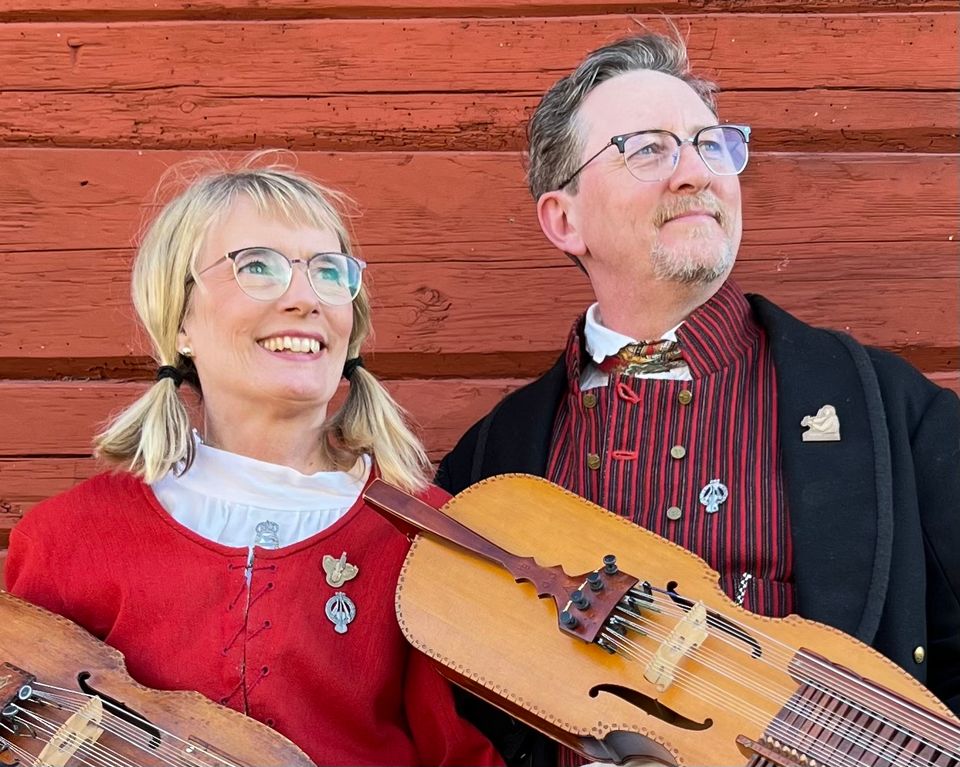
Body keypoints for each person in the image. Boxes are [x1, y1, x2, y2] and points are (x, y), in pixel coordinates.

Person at [437, 30, 960, 766]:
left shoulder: (886, 409)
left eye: (712, 146)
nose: (694, 173)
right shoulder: (492, 459)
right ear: (565, 219)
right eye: (648, 149)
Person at [4, 158, 501, 767]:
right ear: (180, 318)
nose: (304, 298)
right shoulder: (68, 539)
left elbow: (458, 754)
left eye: (328, 272)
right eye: (258, 267)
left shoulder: (425, 536)